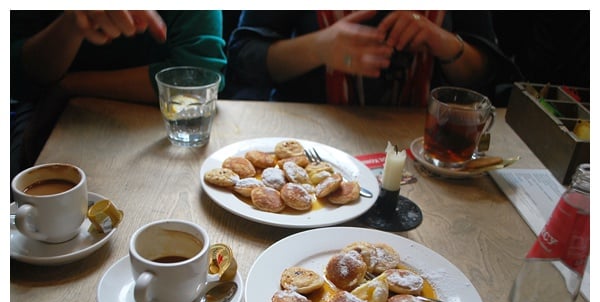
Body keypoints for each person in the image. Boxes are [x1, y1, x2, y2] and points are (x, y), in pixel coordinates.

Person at [11, 11, 227, 178]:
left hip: (154, 125)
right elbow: (17, 74)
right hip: (45, 113)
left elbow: (201, 74)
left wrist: (70, 85)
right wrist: (71, 25)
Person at [225, 11, 514, 106]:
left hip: (424, 148)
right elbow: (243, 58)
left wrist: (442, 42)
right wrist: (319, 48)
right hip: (312, 142)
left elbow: (486, 77)